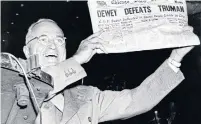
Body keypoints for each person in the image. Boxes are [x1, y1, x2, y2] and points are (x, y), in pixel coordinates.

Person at [22, 18, 194, 124]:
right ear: (27, 51)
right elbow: (37, 90)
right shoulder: (8, 81)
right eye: (43, 39)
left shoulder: (85, 96)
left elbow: (135, 100)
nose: (52, 45)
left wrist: (175, 57)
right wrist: (76, 60)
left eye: (59, 40)